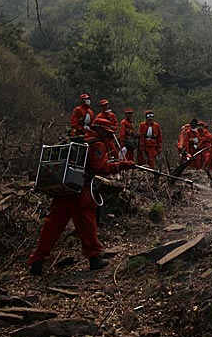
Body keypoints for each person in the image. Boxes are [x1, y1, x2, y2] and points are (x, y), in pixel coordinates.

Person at [29, 117, 135, 275]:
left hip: (63, 191)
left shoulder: (78, 139)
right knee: (87, 226)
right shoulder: (97, 144)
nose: (108, 136)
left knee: (51, 227)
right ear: (99, 130)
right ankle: (94, 259)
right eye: (106, 133)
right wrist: (121, 165)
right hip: (80, 191)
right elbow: (101, 167)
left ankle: (37, 261)